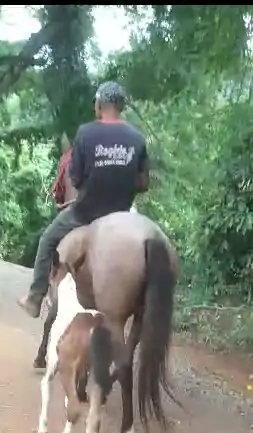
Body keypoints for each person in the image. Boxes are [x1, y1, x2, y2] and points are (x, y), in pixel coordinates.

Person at [17, 81, 150, 319]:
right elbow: (143, 183)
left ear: (99, 105)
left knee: (47, 240)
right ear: (121, 107)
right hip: (122, 215)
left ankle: (34, 298)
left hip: (86, 213)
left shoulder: (86, 133)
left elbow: (76, 179)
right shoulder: (137, 138)